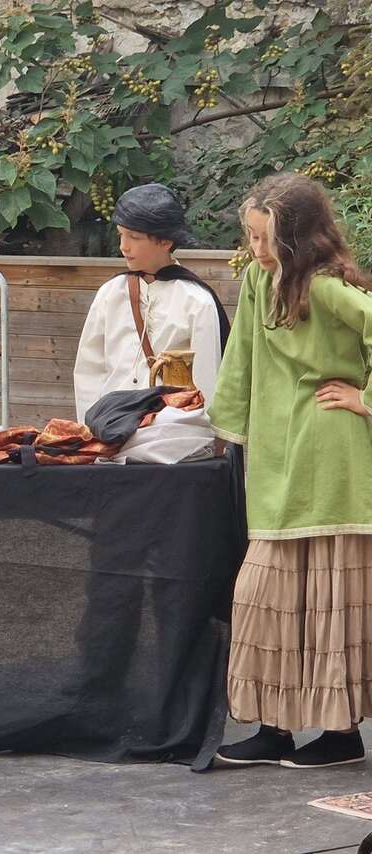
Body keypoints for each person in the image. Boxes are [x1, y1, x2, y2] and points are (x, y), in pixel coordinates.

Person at [210, 172, 372, 769]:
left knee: (326, 597)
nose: (253, 250)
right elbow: (242, 357)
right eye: (249, 237)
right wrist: (223, 430)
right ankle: (273, 728)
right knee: (268, 595)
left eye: (263, 238)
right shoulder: (258, 278)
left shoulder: (329, 288)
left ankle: (341, 734)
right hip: (277, 457)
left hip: (331, 455)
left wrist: (364, 399)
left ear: (297, 239)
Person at [73, 183, 229, 463]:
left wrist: (205, 441)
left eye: (134, 237)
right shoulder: (111, 294)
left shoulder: (197, 301)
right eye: (121, 235)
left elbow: (208, 380)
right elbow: (89, 368)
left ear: (165, 241)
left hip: (169, 441)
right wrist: (93, 430)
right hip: (109, 437)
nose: (123, 246)